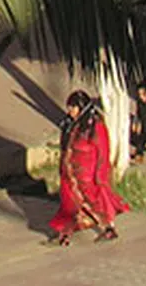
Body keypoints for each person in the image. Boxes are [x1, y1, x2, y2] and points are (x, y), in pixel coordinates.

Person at [49, 89, 129, 246]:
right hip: (70, 175)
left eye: (73, 107)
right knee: (69, 205)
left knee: (95, 202)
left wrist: (101, 174)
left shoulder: (95, 125)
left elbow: (103, 151)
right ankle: (64, 234)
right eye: (69, 107)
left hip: (88, 175)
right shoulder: (68, 124)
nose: (70, 111)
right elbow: (65, 148)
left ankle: (108, 228)